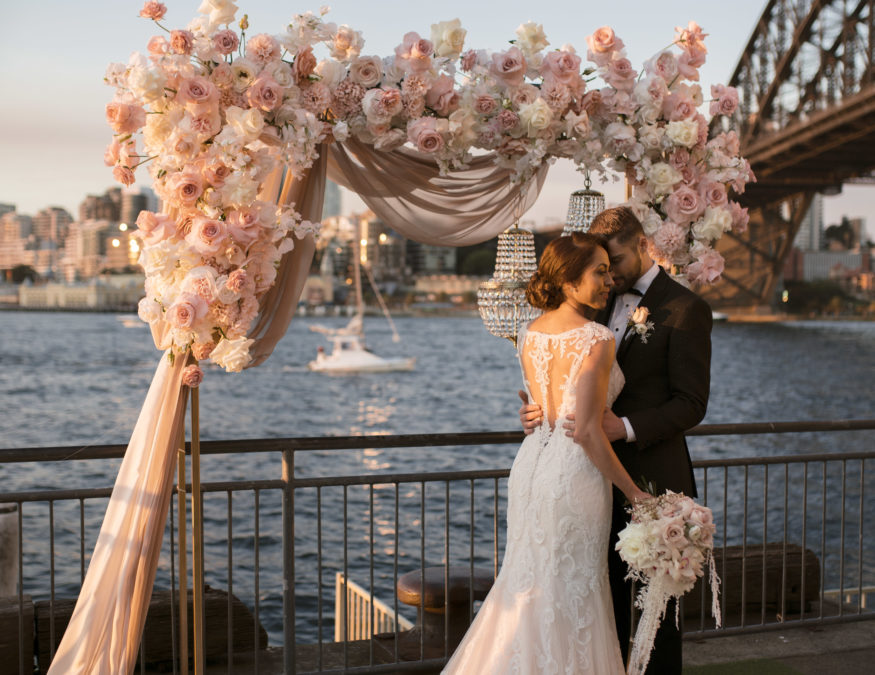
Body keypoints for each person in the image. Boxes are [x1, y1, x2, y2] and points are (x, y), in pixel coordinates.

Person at [443, 232, 649, 674]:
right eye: (599, 271)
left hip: (532, 466)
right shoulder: (596, 337)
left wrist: (532, 413)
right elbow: (589, 433)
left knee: (530, 581)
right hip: (575, 475)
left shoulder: (530, 332)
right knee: (572, 589)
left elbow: (543, 405)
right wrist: (635, 493)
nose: (609, 280)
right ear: (569, 282)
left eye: (609, 270)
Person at [519, 207, 712, 674]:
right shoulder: (593, 303)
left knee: (656, 614)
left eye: (617, 261)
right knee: (592, 601)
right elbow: (567, 378)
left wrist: (623, 428)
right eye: (602, 266)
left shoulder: (687, 308)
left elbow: (691, 403)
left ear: (644, 245)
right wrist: (537, 411)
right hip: (584, 481)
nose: (610, 276)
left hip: (651, 478)